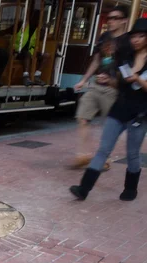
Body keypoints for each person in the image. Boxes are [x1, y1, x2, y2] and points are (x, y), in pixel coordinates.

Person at [70, 19, 147, 201]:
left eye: (141, 36)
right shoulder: (126, 56)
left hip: (140, 113)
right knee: (103, 149)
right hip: (119, 108)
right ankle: (83, 188)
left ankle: (130, 188)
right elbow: (118, 82)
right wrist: (108, 80)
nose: (136, 40)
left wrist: (137, 79)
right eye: (134, 36)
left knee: (132, 153)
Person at [72, 6, 133, 170]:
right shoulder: (104, 37)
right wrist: (84, 80)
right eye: (109, 18)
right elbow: (97, 60)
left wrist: (114, 80)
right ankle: (83, 155)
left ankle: (104, 158)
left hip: (114, 90)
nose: (111, 21)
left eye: (115, 18)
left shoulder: (128, 41)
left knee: (110, 126)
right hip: (97, 85)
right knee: (83, 118)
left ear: (124, 20)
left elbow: (130, 69)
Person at [14, 11, 51, 86]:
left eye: (39, 19)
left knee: (46, 55)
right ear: (31, 18)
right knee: (27, 54)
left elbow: (41, 38)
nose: (37, 21)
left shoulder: (38, 29)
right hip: (18, 50)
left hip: (30, 51)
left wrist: (44, 29)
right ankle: (25, 77)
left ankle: (36, 76)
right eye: (35, 19)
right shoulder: (23, 25)